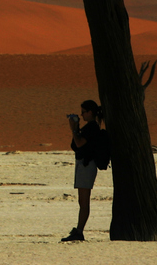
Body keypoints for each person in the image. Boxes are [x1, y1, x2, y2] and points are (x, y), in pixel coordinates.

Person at [61, 99, 104, 242]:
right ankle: (78, 230)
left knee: (84, 202)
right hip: (84, 165)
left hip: (87, 165)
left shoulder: (92, 127)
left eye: (84, 112)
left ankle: (79, 231)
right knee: (82, 201)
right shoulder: (90, 127)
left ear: (90, 112)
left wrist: (74, 128)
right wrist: (77, 128)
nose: (82, 115)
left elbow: (79, 143)